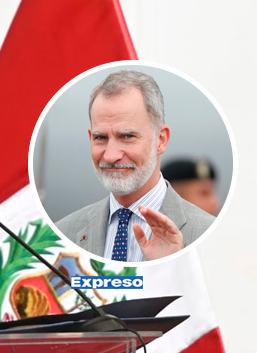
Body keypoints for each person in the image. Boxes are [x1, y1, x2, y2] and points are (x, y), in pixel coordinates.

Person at [56, 70, 215, 262]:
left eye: (127, 136)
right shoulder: (62, 234)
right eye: (101, 138)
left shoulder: (209, 234)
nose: (111, 155)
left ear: (161, 140)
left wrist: (173, 267)